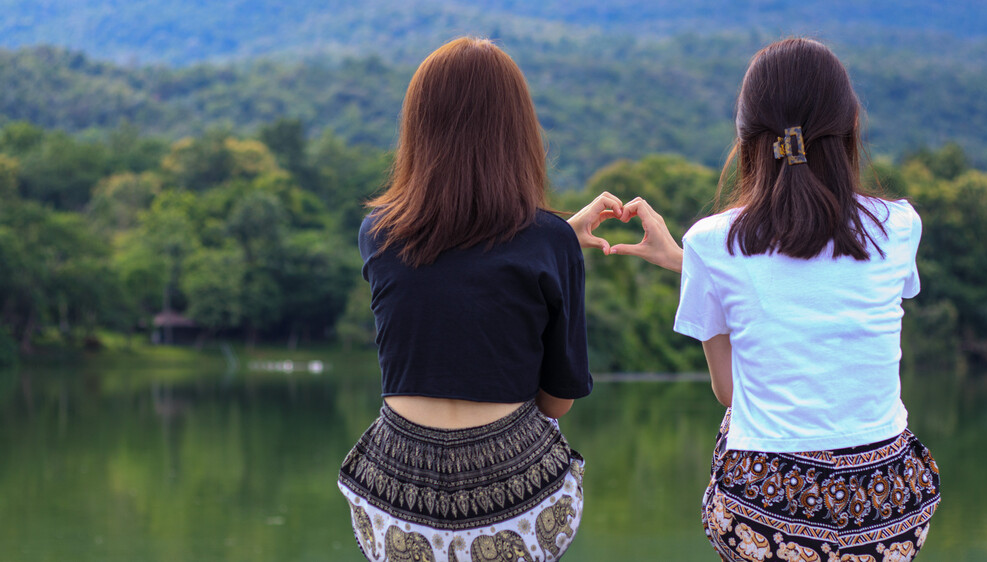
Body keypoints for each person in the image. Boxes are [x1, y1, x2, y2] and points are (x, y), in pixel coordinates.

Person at [571, 38, 941, 560]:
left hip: (767, 516)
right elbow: (827, 293)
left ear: (745, 140)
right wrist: (689, 265)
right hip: (889, 510)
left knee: (741, 419)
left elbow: (730, 391)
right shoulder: (899, 225)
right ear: (851, 126)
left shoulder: (712, 242)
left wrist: (695, 263)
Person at [338, 38, 590, 562]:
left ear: (419, 129)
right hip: (521, 507)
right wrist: (558, 244)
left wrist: (554, 240)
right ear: (518, 131)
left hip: (394, 506)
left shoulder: (377, 235)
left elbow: (452, 274)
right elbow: (556, 401)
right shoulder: (550, 242)